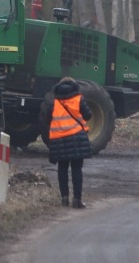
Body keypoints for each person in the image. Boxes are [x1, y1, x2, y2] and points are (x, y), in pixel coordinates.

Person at [45, 77, 92, 209]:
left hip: (59, 139)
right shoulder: (79, 99)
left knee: (62, 169)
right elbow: (88, 115)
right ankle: (77, 200)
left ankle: (64, 199)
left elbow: (48, 119)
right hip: (77, 138)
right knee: (77, 169)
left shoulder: (53, 102)